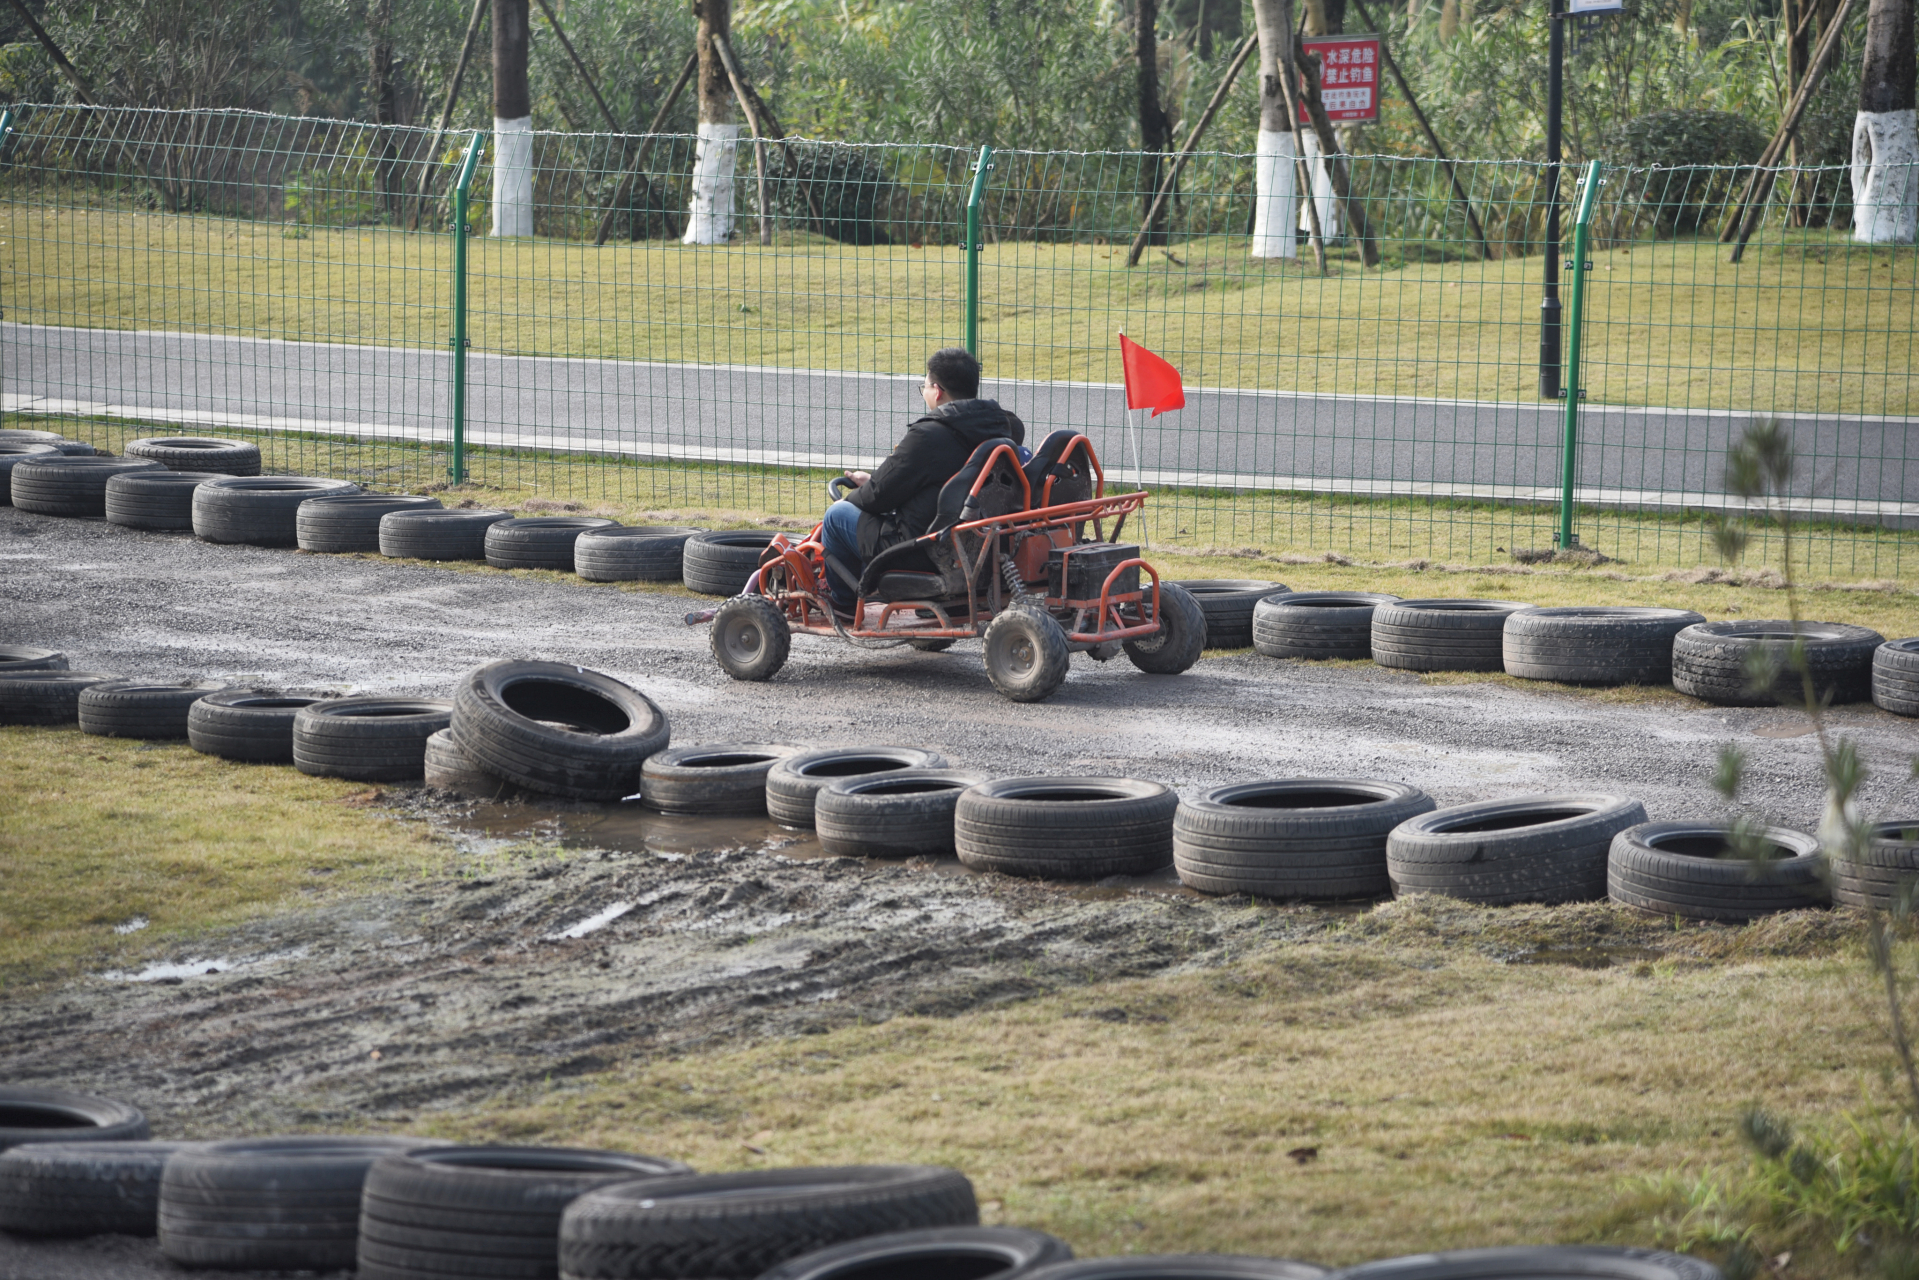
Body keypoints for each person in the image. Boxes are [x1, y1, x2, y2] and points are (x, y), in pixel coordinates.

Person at [820, 347, 1025, 616]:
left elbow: (876, 498)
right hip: (975, 541)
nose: (925, 392)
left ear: (937, 391)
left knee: (836, 516)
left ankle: (843, 602)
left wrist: (859, 493)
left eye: (925, 386)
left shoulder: (928, 435)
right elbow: (933, 479)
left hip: (924, 547)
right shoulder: (1000, 427)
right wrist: (873, 481)